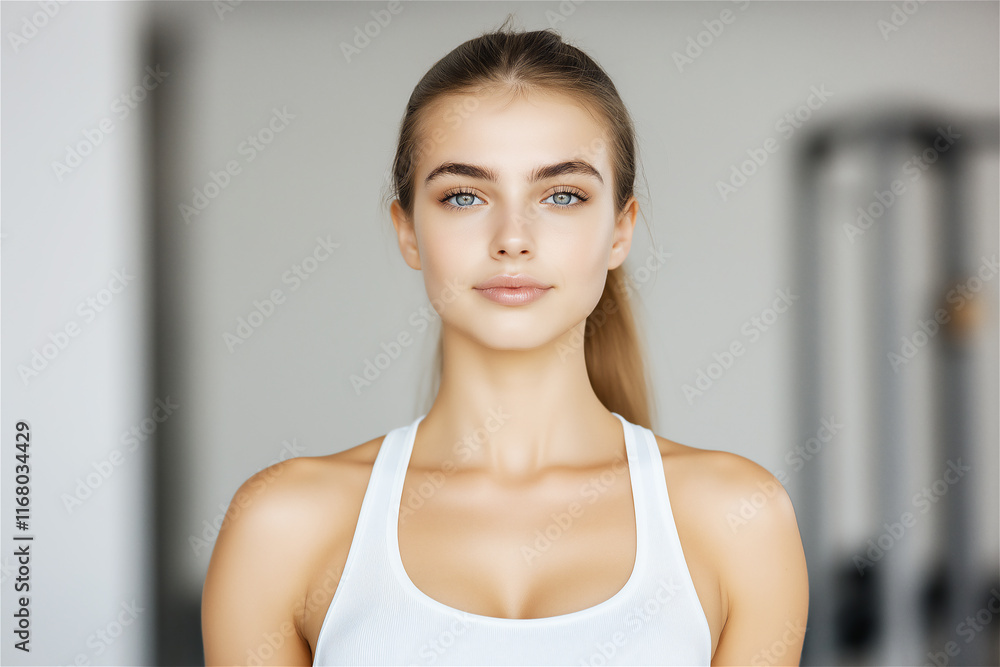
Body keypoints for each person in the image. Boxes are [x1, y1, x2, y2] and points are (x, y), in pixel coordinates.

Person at [202, 16, 809, 666]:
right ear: (407, 230)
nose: (512, 237)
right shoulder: (282, 526)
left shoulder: (740, 520)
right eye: (464, 196)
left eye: (563, 195)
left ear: (620, 231)